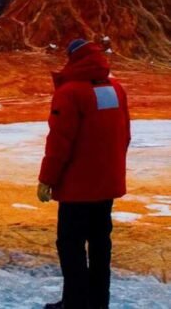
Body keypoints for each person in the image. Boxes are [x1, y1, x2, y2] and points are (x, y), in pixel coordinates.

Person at [37, 39, 131, 309]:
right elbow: (125, 135)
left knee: (71, 245)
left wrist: (47, 180)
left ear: (73, 59)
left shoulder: (69, 93)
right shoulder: (116, 89)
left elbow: (60, 142)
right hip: (106, 185)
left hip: (77, 189)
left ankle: (75, 302)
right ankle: (99, 301)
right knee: (101, 244)